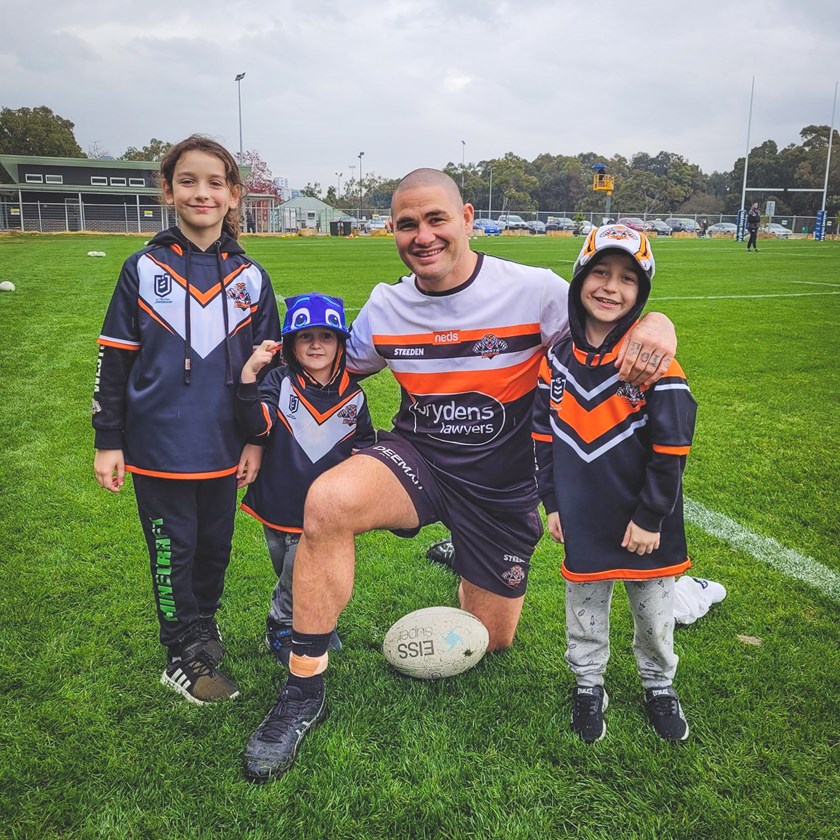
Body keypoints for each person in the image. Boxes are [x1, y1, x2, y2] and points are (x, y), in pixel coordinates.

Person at [241, 168, 678, 782]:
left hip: (503, 486)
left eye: (436, 219)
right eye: (407, 224)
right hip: (418, 461)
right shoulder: (387, 305)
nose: (423, 235)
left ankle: (467, 552)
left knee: (491, 640)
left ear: (467, 218)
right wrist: (257, 391)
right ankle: (302, 689)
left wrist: (659, 326)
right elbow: (329, 358)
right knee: (329, 502)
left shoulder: (534, 292)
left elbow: (610, 318)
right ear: (393, 231)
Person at [92, 135, 281, 704]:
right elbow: (115, 359)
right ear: (169, 190)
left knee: (213, 546)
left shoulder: (252, 279)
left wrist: (258, 439)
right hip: (158, 446)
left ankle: (202, 624)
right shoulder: (142, 268)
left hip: (225, 446)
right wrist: (108, 439)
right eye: (188, 181)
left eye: (215, 183)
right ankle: (180, 651)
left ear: (234, 197)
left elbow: (269, 371)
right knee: (173, 547)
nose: (202, 192)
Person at [532, 224, 697, 743]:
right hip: (581, 515)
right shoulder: (555, 359)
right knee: (584, 612)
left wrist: (651, 516)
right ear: (580, 277)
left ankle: (659, 684)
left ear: (642, 293)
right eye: (599, 272)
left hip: (645, 523)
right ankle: (588, 684)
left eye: (628, 278)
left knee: (652, 613)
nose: (610, 287)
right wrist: (552, 504)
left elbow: (672, 449)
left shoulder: (654, 361)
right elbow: (543, 436)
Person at [235, 293, 375, 667]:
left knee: (305, 568)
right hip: (277, 497)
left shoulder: (354, 397)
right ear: (289, 343)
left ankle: (283, 623)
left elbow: (364, 448)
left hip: (323, 511)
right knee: (288, 569)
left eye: (326, 336)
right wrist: (249, 377)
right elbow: (257, 425)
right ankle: (309, 616)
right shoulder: (279, 381)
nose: (316, 344)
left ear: (340, 342)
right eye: (305, 336)